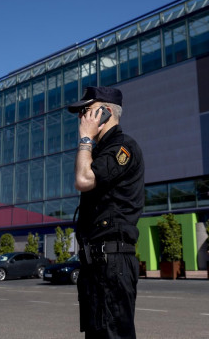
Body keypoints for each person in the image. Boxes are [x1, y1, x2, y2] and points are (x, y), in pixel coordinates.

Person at [69, 86, 145, 339]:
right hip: (96, 265)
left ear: (106, 112)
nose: (82, 118)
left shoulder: (123, 147)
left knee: (113, 335)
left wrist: (85, 139)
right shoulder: (99, 151)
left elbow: (84, 179)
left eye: (87, 111)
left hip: (112, 262)